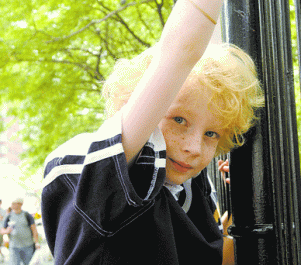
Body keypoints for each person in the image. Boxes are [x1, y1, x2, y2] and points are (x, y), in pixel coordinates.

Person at [41, 0, 264, 264]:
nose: (194, 146)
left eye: (211, 134)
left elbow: (217, 258)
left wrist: (249, 200)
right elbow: (182, 49)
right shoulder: (114, 177)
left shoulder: (190, 189)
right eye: (179, 119)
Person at [0, 197, 40, 265]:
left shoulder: (26, 215)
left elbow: (34, 230)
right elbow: (2, 230)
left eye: (13, 203)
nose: (12, 205)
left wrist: (36, 242)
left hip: (28, 246)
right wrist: (7, 231)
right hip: (14, 247)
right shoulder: (8, 216)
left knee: (29, 263)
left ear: (20, 204)